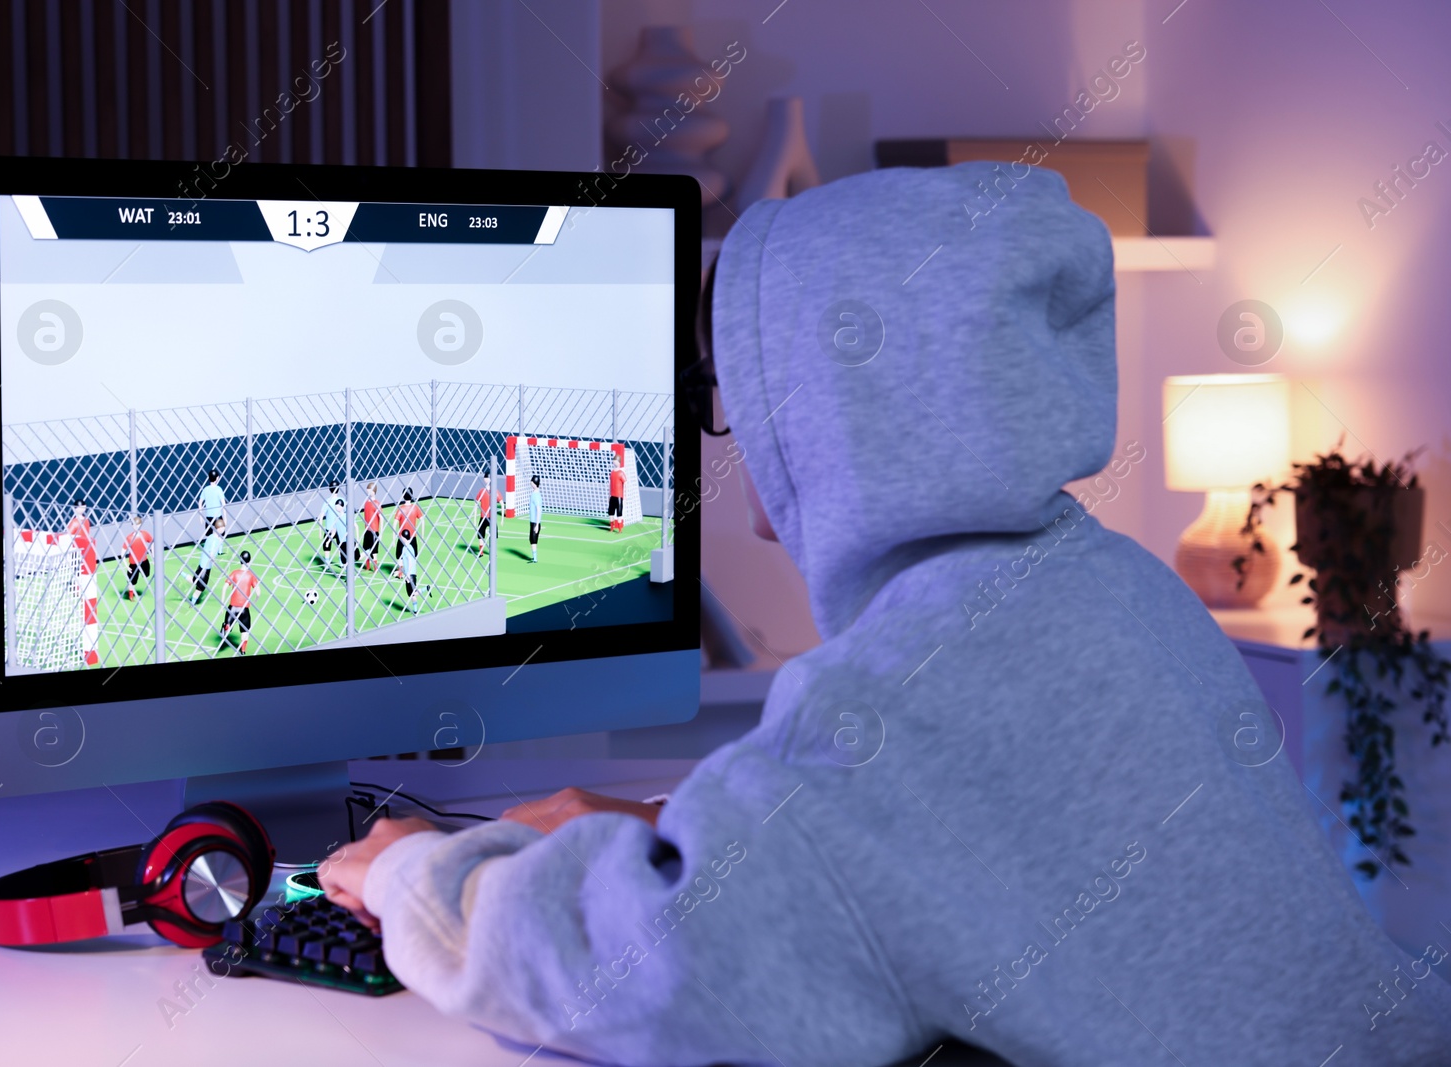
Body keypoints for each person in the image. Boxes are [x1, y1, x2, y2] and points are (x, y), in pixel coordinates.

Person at [318, 167, 1451, 1066]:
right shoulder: (1110, 588)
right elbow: (971, 840)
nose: (739, 453)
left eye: (746, 402)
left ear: (837, 410)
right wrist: (686, 820)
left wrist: (419, 871)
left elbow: (638, 969)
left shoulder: (904, 693)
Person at [220, 549, 258, 655]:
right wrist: (254, 600)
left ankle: (227, 626)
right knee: (245, 631)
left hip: (233, 607)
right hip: (244, 608)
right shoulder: (251, 575)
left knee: (228, 623)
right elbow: (258, 592)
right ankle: (243, 650)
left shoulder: (234, 573)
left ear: (240, 560)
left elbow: (224, 587)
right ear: (249, 562)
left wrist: (222, 604)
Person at [190, 517, 226, 606]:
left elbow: (216, 551)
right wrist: (214, 562)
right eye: (223, 528)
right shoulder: (215, 540)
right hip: (206, 566)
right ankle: (192, 603)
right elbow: (212, 553)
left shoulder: (210, 537)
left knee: (195, 580)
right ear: (219, 529)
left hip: (202, 563)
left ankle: (182, 573)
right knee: (200, 587)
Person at [392, 487, 424, 577]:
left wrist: (393, 539)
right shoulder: (415, 508)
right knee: (413, 555)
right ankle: (411, 572)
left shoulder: (401, 509)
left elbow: (394, 524)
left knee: (399, 555)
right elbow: (422, 521)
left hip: (402, 537)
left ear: (403, 496)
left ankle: (401, 571)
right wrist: (422, 535)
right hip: (413, 537)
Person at [321, 480, 351, 569]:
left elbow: (321, 515)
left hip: (331, 528)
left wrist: (320, 528)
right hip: (338, 528)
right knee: (340, 545)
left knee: (327, 545)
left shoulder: (328, 501)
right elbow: (346, 514)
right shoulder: (341, 500)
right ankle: (341, 561)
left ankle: (328, 561)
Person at [123, 515, 152, 600]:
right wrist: (126, 565)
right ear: (132, 526)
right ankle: (131, 595)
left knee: (147, 574)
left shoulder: (145, 534)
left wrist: (153, 554)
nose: (137, 527)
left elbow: (152, 542)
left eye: (139, 525)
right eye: (135, 525)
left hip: (144, 561)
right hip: (133, 563)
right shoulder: (129, 538)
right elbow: (123, 552)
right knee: (132, 581)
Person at [360, 482, 383, 572]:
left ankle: (375, 567)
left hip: (374, 530)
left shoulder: (377, 503)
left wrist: (380, 531)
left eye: (369, 491)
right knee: (366, 547)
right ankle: (367, 566)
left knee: (374, 550)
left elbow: (381, 518)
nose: (368, 492)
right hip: (367, 529)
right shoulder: (366, 503)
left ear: (373, 491)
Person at [198, 469, 226, 535]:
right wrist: (225, 518)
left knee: (209, 535)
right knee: (221, 534)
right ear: (217, 478)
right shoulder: (219, 489)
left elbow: (200, 503)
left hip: (209, 517)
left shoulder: (205, 489)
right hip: (218, 517)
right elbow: (223, 504)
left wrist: (201, 516)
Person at [474, 471, 495, 557]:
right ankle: (481, 552)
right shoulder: (482, 491)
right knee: (480, 534)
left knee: (493, 534)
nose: (486, 479)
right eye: (485, 477)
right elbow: (476, 503)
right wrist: (475, 518)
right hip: (483, 517)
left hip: (491, 517)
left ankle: (492, 551)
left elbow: (500, 501)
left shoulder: (494, 491)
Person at [606, 453, 627, 533]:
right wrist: (609, 495)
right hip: (612, 495)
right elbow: (610, 484)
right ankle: (611, 527)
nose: (614, 462)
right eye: (614, 461)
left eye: (615, 461)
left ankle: (619, 528)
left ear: (618, 462)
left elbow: (625, 483)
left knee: (619, 512)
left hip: (619, 496)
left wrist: (625, 494)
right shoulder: (612, 473)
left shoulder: (621, 473)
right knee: (611, 512)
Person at [526, 474, 541, 563]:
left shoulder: (536, 496)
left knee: (533, 539)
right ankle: (534, 557)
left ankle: (535, 558)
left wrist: (537, 524)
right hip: (533, 521)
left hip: (535, 522)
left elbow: (538, 509)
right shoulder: (535, 494)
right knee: (531, 539)